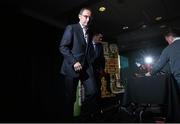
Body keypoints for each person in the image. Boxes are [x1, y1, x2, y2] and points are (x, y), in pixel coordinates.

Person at [59, 7, 98, 121]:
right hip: (72, 67)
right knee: (70, 98)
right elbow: (63, 47)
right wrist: (74, 62)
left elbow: (87, 49)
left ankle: (83, 118)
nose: (88, 19)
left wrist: (90, 61)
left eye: (90, 17)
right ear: (79, 16)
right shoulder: (71, 28)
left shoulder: (89, 31)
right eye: (86, 16)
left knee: (93, 92)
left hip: (86, 67)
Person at [91, 33, 105, 111]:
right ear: (94, 36)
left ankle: (98, 107)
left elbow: (102, 59)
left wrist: (102, 69)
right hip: (88, 71)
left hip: (97, 71)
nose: (101, 39)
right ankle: (91, 108)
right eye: (100, 37)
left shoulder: (100, 46)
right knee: (91, 90)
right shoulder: (87, 44)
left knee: (98, 88)